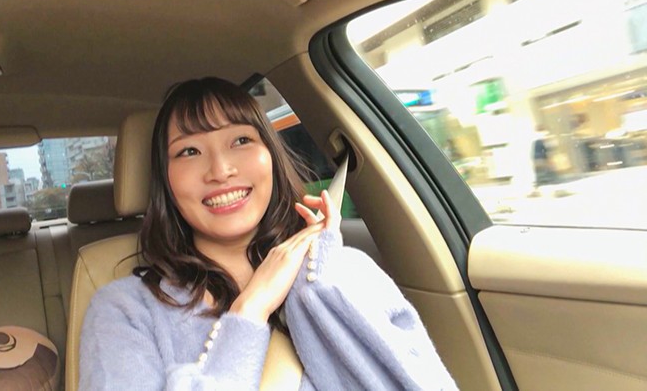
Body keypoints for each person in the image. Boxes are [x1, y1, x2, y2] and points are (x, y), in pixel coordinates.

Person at [80, 77, 456, 390]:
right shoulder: (123, 311)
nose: (220, 170)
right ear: (165, 181)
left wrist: (318, 287)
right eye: (189, 151)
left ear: (271, 155)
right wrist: (250, 310)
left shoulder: (346, 271)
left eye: (241, 140)